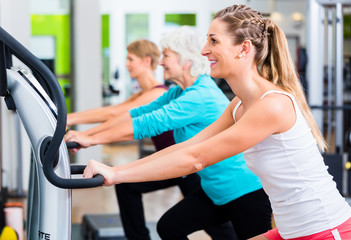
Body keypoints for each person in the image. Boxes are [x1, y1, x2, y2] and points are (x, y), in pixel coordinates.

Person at [81, 4, 351, 240]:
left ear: (244, 49)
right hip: (291, 231)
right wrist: (115, 170)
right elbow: (188, 146)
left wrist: (117, 174)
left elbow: (195, 158)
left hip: (328, 230)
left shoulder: (272, 105)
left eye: (213, 41)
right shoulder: (238, 104)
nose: (204, 50)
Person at [66, 26, 272, 239]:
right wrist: (88, 136)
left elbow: (147, 124)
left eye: (166, 56)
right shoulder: (179, 92)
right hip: (214, 190)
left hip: (245, 191)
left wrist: (90, 139)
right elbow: (138, 114)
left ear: (186, 62)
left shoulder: (199, 96)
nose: (161, 62)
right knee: (170, 226)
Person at [67, 39, 167, 128]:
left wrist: (70, 120)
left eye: (131, 59)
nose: (126, 64)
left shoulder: (157, 93)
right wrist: (69, 117)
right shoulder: (141, 94)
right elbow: (112, 109)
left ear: (147, 61)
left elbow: (113, 113)